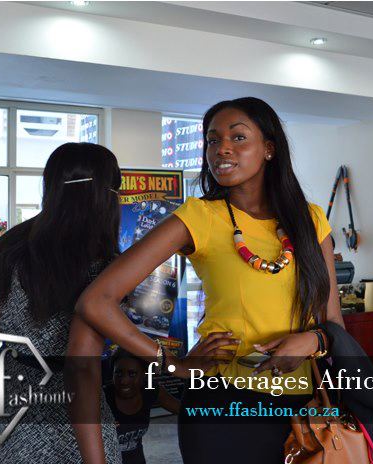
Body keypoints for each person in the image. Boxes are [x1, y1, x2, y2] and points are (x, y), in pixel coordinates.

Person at [68, 97, 344, 464]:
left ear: (269, 149)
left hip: (305, 408)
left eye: (238, 137)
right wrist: (171, 362)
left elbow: (334, 322)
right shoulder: (200, 216)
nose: (221, 149)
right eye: (213, 140)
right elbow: (96, 301)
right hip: (221, 407)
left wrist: (312, 340)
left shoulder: (311, 220)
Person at [0, 143, 123, 464]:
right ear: (104, 194)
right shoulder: (103, 261)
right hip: (81, 397)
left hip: (12, 396)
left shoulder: (11, 245)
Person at [104, 350, 180, 464]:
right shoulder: (102, 398)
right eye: (118, 373)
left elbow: (182, 410)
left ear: (144, 374)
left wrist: (209, 411)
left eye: (132, 374)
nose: (124, 381)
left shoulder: (150, 390)